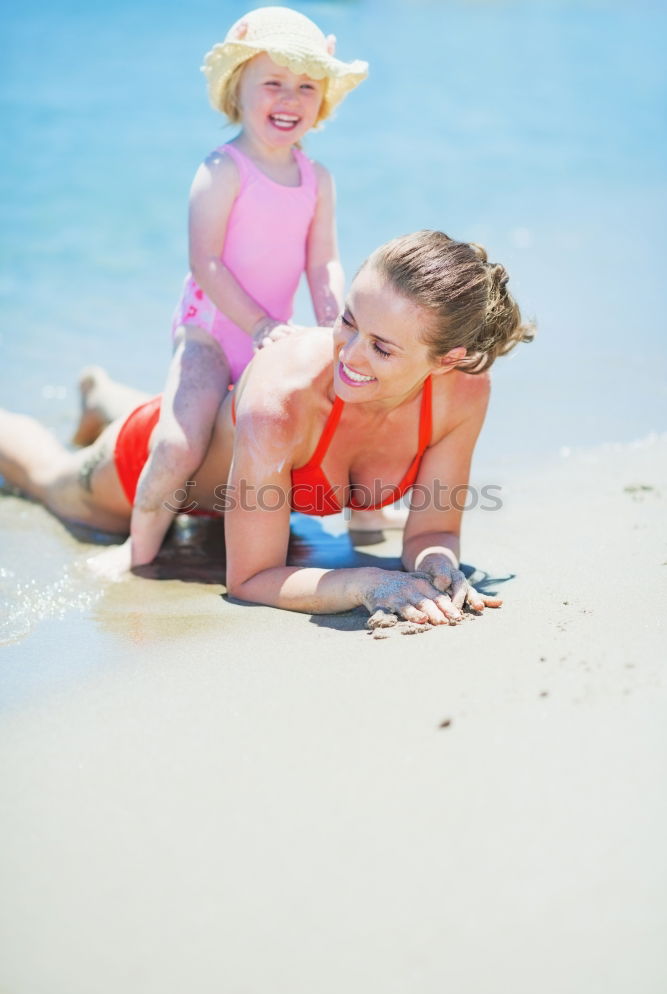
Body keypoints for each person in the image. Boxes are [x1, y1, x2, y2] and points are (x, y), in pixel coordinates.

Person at [0, 231, 534, 626]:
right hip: (145, 470)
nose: (350, 354)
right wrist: (370, 582)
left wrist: (438, 565)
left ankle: (100, 393)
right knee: (46, 475)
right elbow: (250, 578)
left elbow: (433, 531)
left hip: (235, 449)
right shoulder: (281, 402)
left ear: (447, 359)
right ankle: (101, 408)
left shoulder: (463, 391)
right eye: (347, 321)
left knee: (201, 419)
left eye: (382, 347)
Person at [117, 6, 367, 570]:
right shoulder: (222, 167)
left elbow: (322, 262)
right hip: (211, 333)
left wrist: (337, 325)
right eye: (272, 83)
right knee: (180, 443)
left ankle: (367, 513)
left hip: (269, 336)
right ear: (238, 89)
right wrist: (257, 325)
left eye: (306, 86)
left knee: (338, 407)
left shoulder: (317, 178)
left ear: (323, 99)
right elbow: (205, 262)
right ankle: (136, 554)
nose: (290, 99)